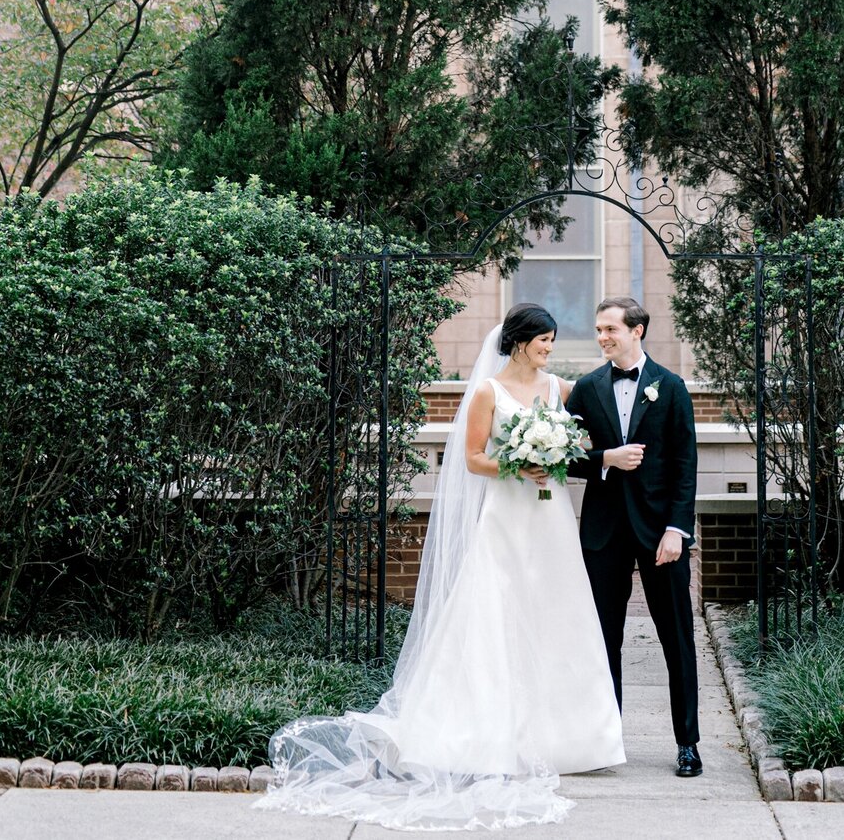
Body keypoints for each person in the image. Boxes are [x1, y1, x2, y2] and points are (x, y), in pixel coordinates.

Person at [263, 303, 624, 829]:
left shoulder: (556, 389)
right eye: (544, 339)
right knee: (493, 614)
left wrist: (565, 457)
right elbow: (473, 458)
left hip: (550, 520)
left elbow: (587, 435)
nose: (550, 347)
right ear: (520, 342)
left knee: (555, 613)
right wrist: (517, 463)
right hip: (506, 513)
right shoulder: (488, 392)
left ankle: (570, 739)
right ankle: (487, 731)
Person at [566, 296, 702, 779]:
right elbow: (562, 455)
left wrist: (677, 530)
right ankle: (605, 740)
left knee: (677, 640)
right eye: (599, 330)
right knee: (603, 640)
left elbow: (686, 465)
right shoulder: (586, 388)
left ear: (637, 330)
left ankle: (687, 743)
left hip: (660, 534)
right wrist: (607, 458)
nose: (602, 337)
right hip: (603, 535)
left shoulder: (672, 386)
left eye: (610, 329)